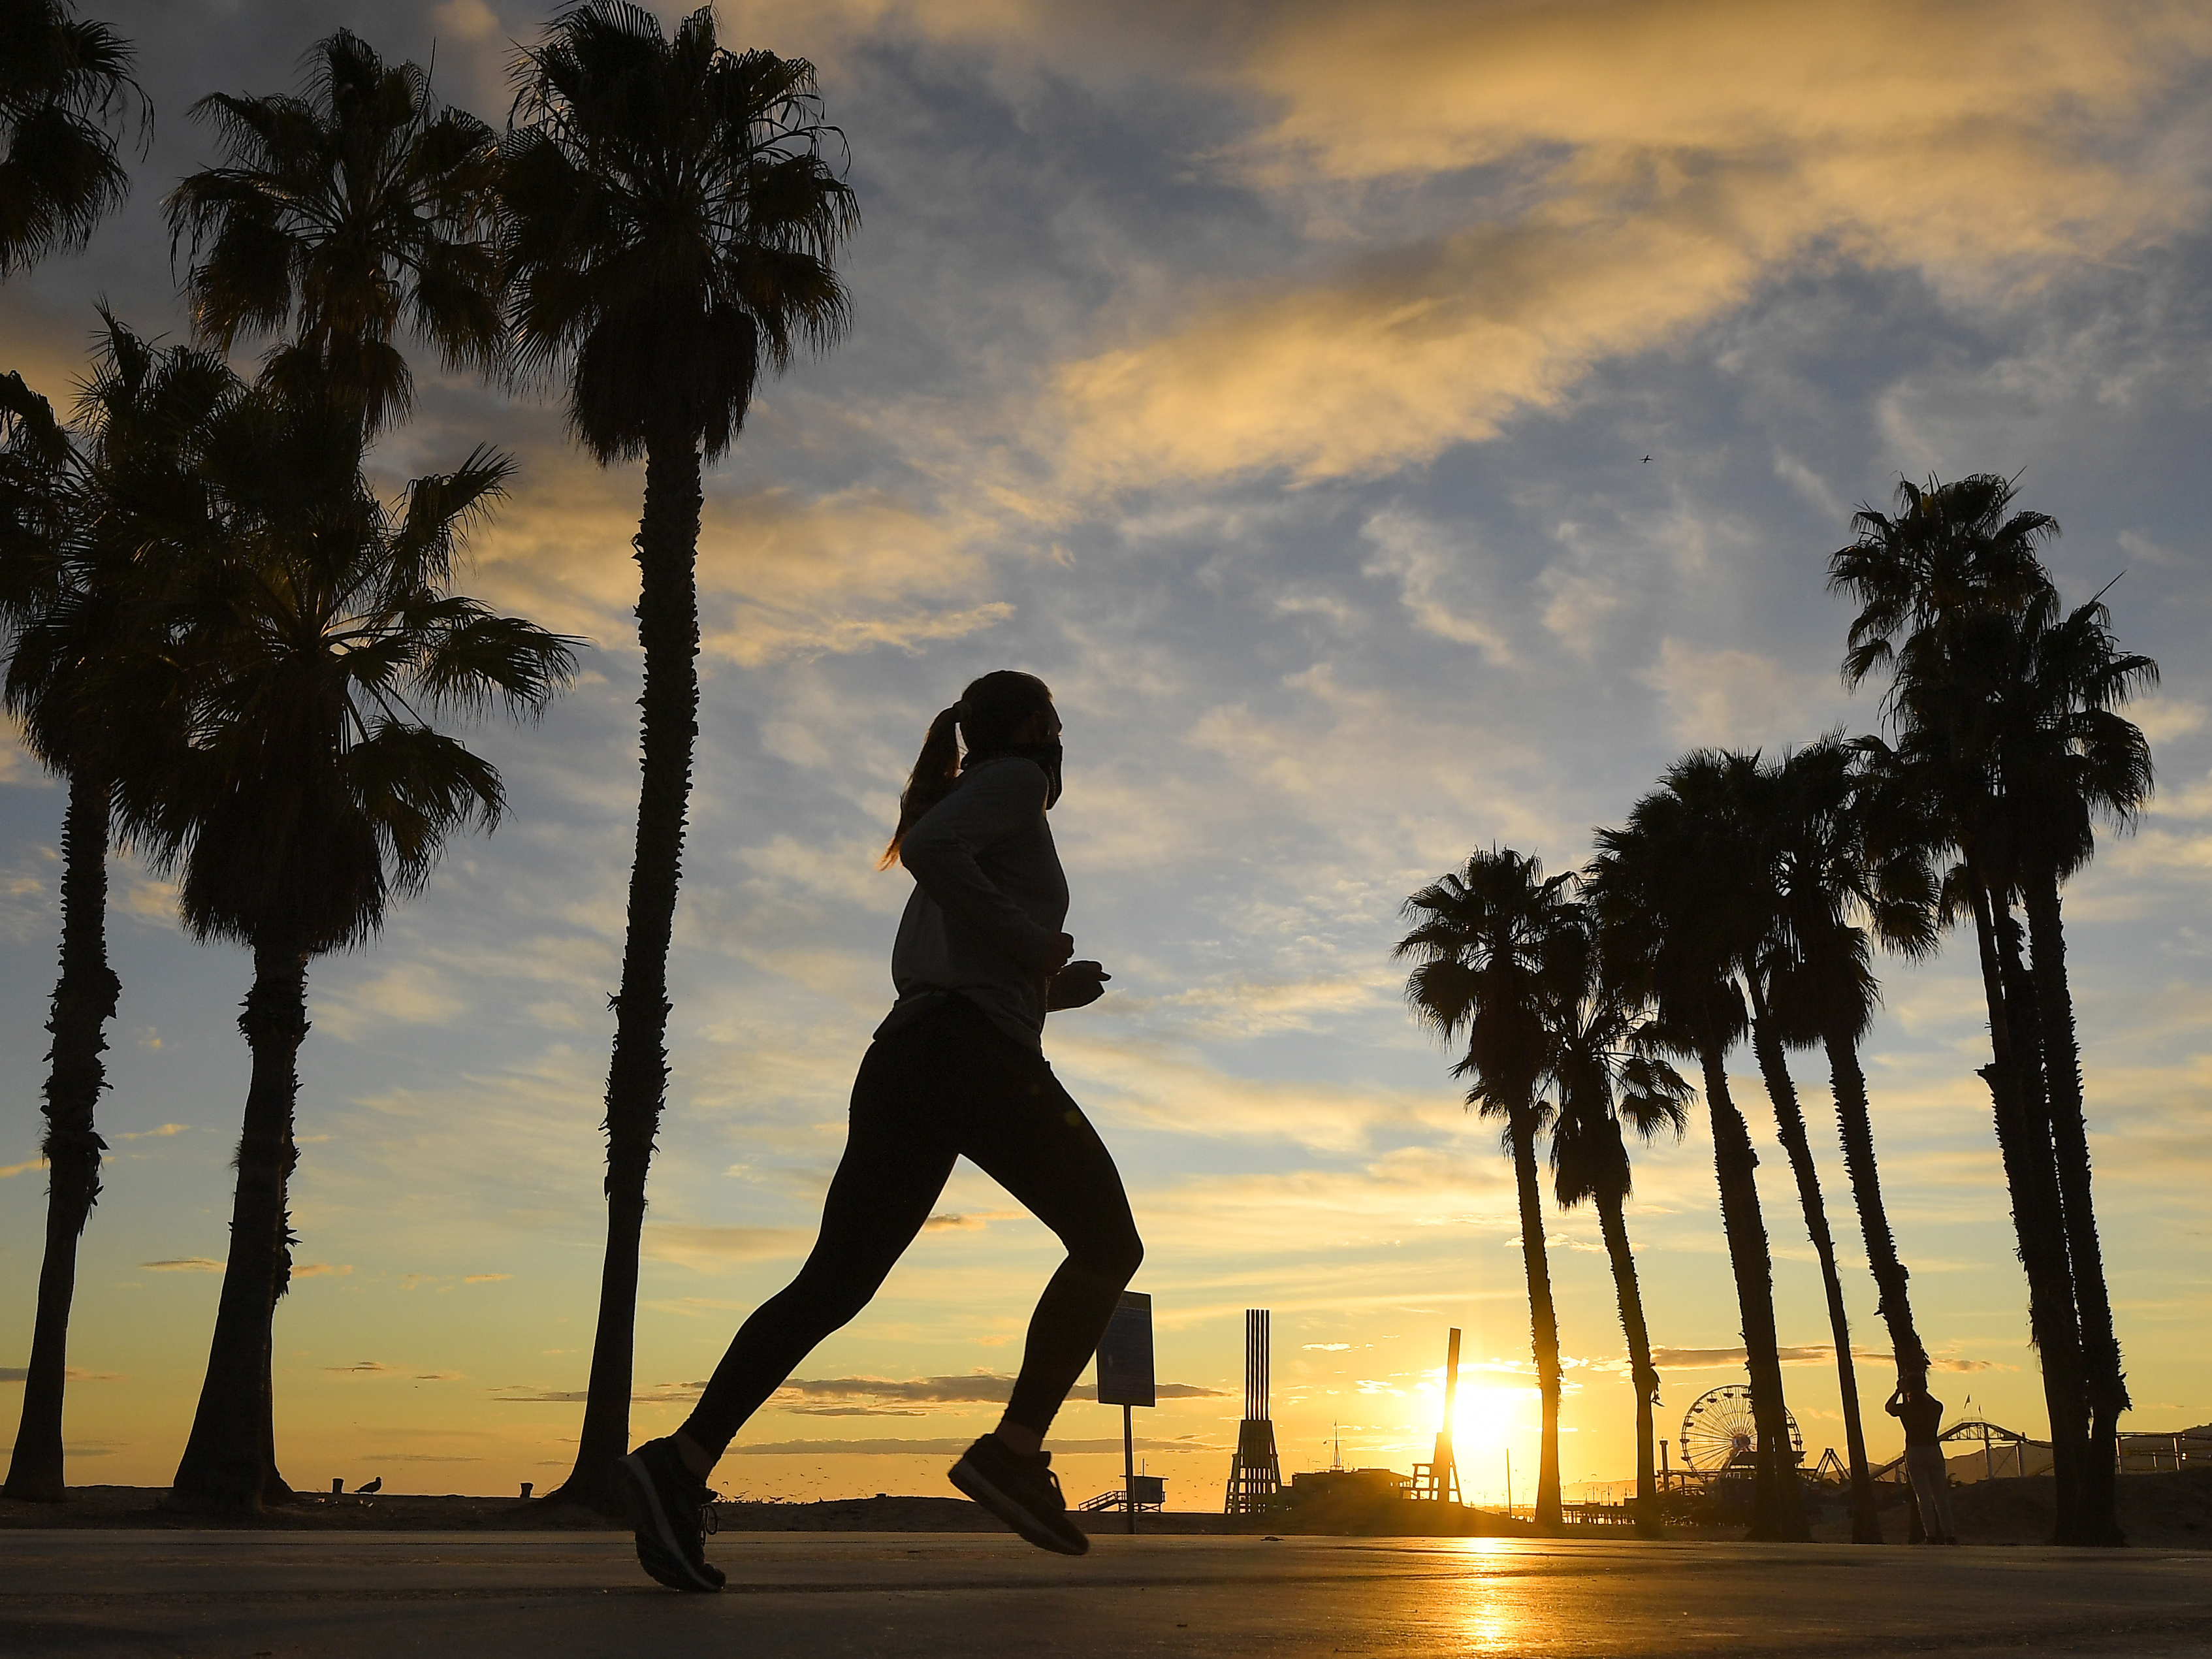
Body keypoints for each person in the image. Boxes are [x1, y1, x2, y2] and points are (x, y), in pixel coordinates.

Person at [616, 670, 1145, 1592]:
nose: (1059, 735)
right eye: (1053, 719)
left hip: (914, 1057)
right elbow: (932, 851)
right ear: (1030, 724)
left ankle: (681, 1463)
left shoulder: (983, 799)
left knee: (831, 1284)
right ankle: (1012, 1454)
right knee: (1106, 1244)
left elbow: (952, 938)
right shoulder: (1012, 780)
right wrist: (1028, 944)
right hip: (969, 1057)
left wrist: (1046, 989)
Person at [1887, 1377, 1958, 1544]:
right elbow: (1936, 1403)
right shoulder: (1934, 1407)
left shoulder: (1906, 1409)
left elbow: (1889, 1408)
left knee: (1923, 1497)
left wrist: (1899, 1391)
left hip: (1914, 1451)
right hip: (1933, 1449)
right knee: (1941, 1496)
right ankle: (1950, 1534)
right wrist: (1923, 1391)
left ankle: (1931, 1535)